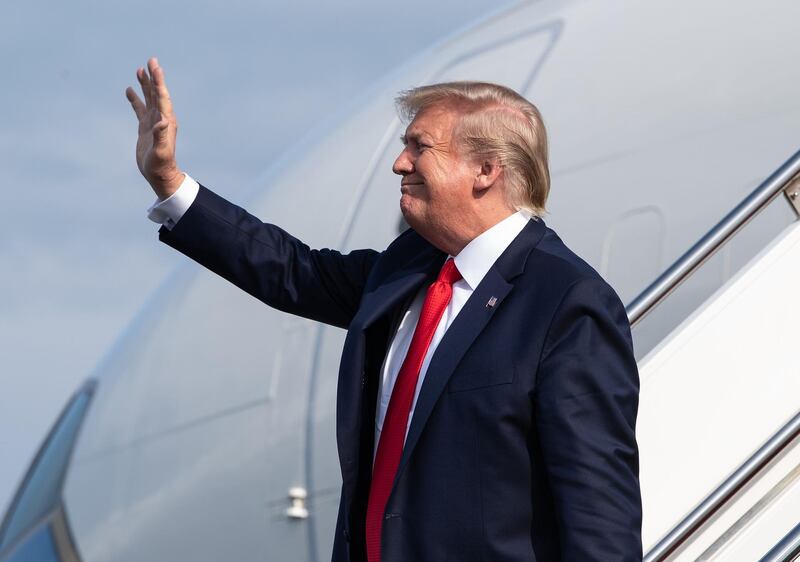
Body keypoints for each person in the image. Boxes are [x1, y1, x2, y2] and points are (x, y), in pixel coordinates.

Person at [126, 57, 643, 562]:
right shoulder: (407, 269)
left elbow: (597, 509)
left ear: (485, 171)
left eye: (419, 147)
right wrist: (170, 183)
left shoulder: (567, 302)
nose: (400, 163)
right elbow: (291, 271)